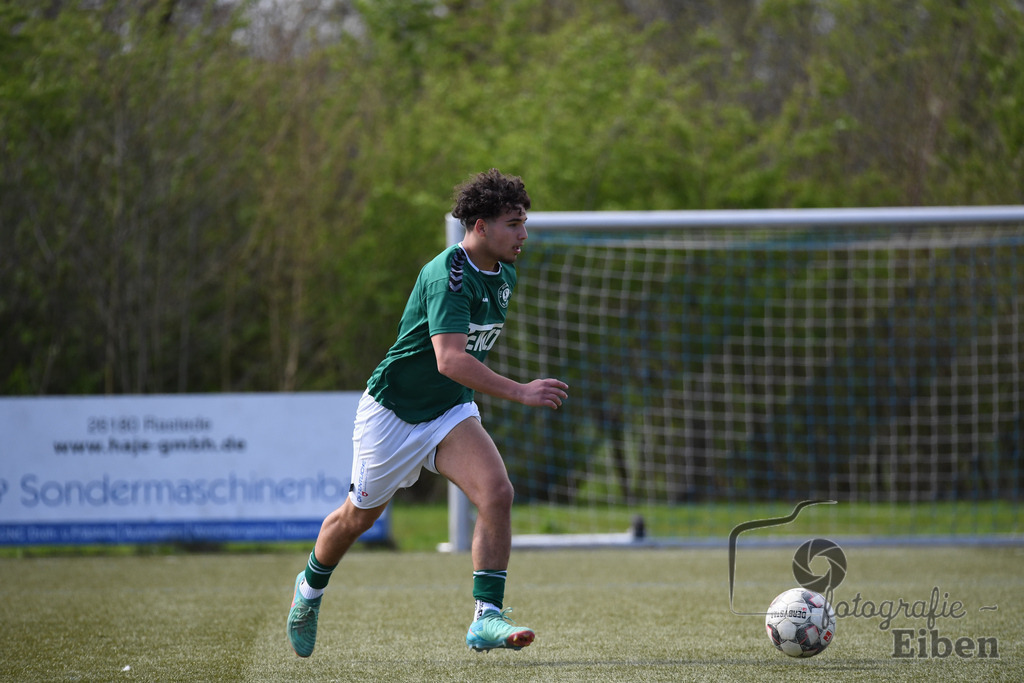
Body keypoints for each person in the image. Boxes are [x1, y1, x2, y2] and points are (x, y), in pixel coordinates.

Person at [287, 168, 568, 657]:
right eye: (513, 223)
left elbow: (458, 370)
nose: (523, 234)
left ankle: (486, 617)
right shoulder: (447, 274)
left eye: (524, 223)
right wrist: (520, 392)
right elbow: (450, 359)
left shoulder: (504, 274)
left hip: (447, 411)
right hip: (393, 413)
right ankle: (308, 593)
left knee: (498, 492)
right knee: (356, 519)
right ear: (480, 226)